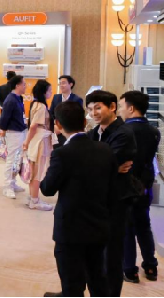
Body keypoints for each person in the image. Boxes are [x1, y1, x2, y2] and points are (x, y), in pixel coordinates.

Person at [41, 101, 115, 298]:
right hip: (99, 224)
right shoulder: (105, 149)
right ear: (84, 122)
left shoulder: (61, 153)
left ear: (58, 124)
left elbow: (47, 188)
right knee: (97, 277)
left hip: (70, 229)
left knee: (72, 283)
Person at [86, 90, 139, 298]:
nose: (94, 113)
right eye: (90, 109)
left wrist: (104, 166)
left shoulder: (123, 133)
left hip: (116, 201)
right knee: (94, 254)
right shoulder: (94, 133)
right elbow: (90, 163)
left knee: (112, 256)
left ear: (113, 107)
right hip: (97, 201)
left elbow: (102, 164)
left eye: (98, 107)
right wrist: (109, 167)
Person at [119, 91, 160, 283]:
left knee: (127, 227)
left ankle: (129, 269)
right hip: (145, 184)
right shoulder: (154, 131)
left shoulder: (124, 131)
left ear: (131, 108)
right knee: (144, 225)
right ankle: (151, 266)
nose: (120, 110)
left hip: (127, 185)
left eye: (121, 106)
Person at [22, 80, 54, 212]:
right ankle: (34, 200)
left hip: (37, 139)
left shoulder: (35, 104)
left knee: (34, 170)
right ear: (44, 92)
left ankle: (32, 198)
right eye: (49, 90)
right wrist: (26, 142)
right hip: (40, 140)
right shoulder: (41, 106)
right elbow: (34, 126)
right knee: (38, 172)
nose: (51, 93)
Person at [0, 75, 27, 200]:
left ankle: (13, 182)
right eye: (24, 84)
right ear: (17, 85)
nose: (26, 86)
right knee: (11, 160)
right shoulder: (10, 100)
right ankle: (7, 187)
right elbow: (4, 118)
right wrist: (3, 131)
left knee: (17, 160)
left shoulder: (19, 98)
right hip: (13, 133)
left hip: (20, 132)